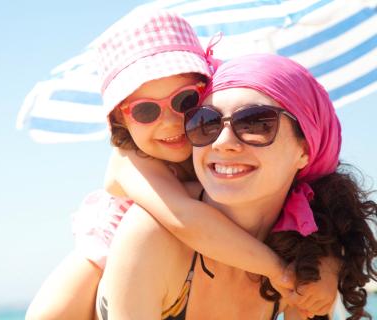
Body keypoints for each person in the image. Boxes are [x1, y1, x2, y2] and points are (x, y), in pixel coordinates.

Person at [26, 10, 338, 320]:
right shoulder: (130, 161)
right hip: (114, 241)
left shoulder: (216, 141)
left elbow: (314, 211)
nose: (171, 121)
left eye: (185, 102)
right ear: (121, 119)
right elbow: (185, 219)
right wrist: (280, 271)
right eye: (146, 111)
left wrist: (327, 263)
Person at [96, 53, 377, 319]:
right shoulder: (152, 234)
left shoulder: (305, 255)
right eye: (205, 123)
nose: (223, 142)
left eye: (255, 123)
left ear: (304, 150)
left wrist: (326, 262)